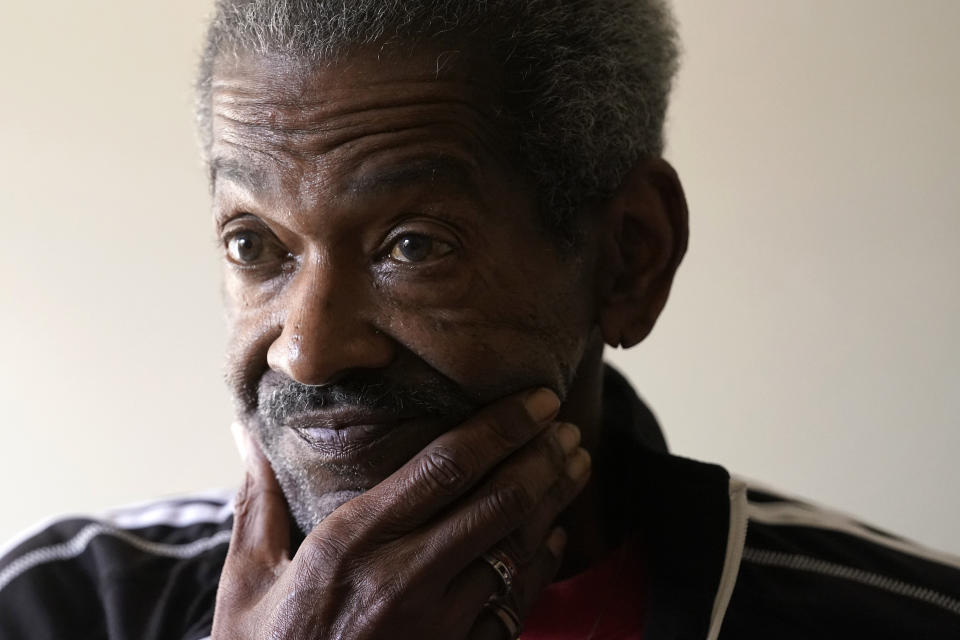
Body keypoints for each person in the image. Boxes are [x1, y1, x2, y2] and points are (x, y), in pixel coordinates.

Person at [1, 1, 958, 638]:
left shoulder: (898, 616)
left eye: (412, 245)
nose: (308, 348)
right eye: (257, 246)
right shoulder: (61, 604)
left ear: (629, 256)